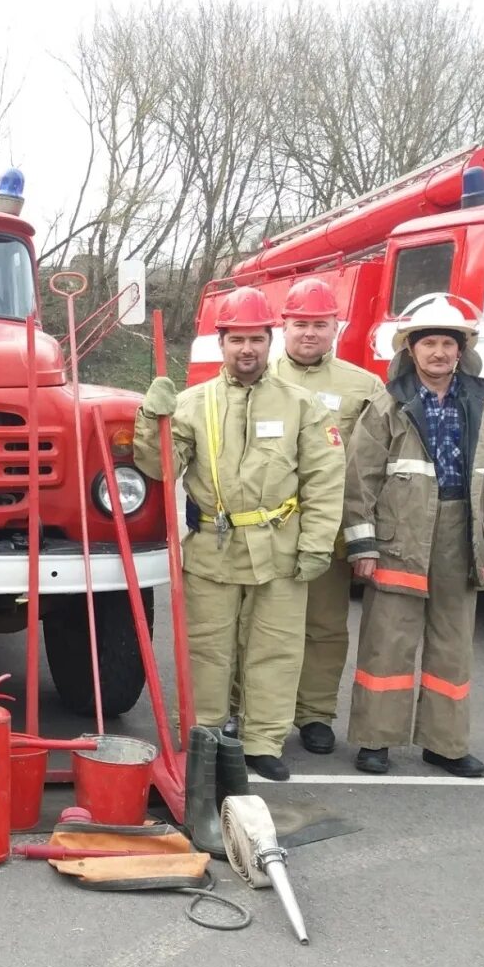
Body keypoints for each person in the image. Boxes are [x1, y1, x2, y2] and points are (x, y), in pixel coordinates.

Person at [134, 286, 343, 781]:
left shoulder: (302, 405)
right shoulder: (191, 404)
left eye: (255, 338)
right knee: (207, 648)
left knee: (275, 647)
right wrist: (150, 420)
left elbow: (325, 479)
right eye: (236, 339)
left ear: (269, 341)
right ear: (221, 342)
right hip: (213, 548)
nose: (246, 349)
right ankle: (204, 737)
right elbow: (160, 468)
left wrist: (316, 544)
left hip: (281, 547)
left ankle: (262, 741)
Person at [343, 299, 484, 777]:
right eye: (428, 342)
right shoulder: (388, 403)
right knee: (388, 639)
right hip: (399, 537)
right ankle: (375, 740)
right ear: (411, 349)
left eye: (448, 342)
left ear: (461, 349)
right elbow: (359, 477)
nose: (438, 352)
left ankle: (445, 744)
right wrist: (362, 544)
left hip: (462, 534)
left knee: (453, 642)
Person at [267, 278, 384, 756]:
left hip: (330, 530)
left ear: (336, 327)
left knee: (325, 626)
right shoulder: (258, 375)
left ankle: (314, 714)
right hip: (266, 528)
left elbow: (375, 464)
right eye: (300, 324)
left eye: (320, 324)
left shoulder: (363, 387)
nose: (309, 333)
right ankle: (252, 711)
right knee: (263, 626)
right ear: (284, 327)